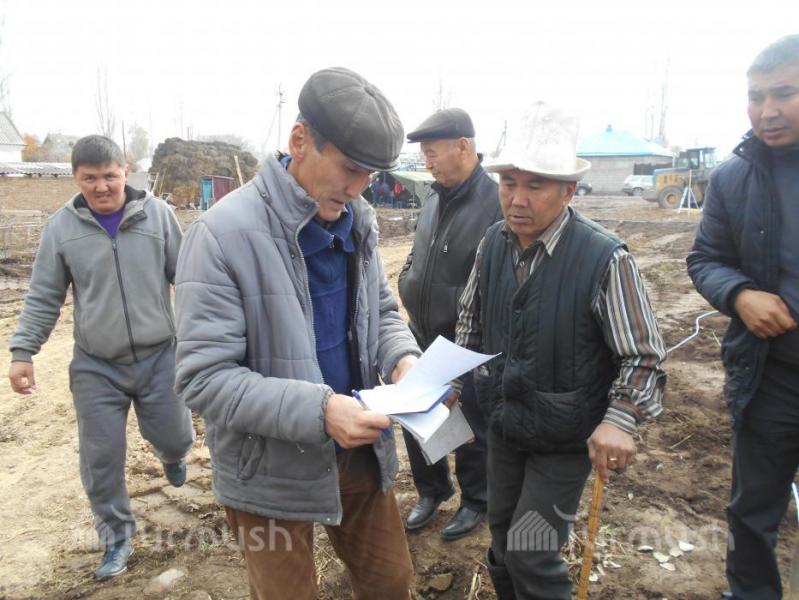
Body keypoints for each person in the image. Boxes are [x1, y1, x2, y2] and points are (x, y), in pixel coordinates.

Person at [174, 67, 421, 599]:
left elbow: (380, 311)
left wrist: (403, 358)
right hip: (269, 469)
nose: (358, 189)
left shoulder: (359, 221)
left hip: (359, 447)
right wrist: (321, 411)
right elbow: (203, 379)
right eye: (350, 169)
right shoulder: (220, 236)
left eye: (370, 175)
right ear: (300, 141)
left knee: (391, 582)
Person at [454, 102, 666, 599]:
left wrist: (620, 419)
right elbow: (470, 321)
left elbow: (643, 356)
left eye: (536, 185)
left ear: (568, 191)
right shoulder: (493, 244)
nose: (517, 199)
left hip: (566, 435)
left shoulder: (604, 258)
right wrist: (453, 379)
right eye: (509, 183)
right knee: (502, 536)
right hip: (506, 424)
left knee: (532, 551)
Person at [8, 135, 195, 580]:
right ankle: (116, 537)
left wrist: (206, 334)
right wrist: (23, 351)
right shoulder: (62, 229)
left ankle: (173, 454)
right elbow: (44, 295)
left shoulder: (158, 216)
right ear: (76, 178)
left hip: (160, 356)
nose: (101, 186)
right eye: (89, 178)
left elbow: (190, 278)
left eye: (109, 176)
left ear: (125, 172)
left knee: (174, 436)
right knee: (101, 458)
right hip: (96, 365)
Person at [687, 34, 799, 600]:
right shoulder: (734, 177)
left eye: (783, 94)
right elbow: (705, 258)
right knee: (752, 510)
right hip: (769, 374)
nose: (767, 111)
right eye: (757, 97)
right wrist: (739, 295)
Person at [397, 107, 501, 540]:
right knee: (417, 411)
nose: (428, 163)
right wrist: (407, 277)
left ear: (462, 147)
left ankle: (476, 500)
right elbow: (417, 251)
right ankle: (433, 489)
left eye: (432, 153)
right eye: (424, 154)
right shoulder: (434, 197)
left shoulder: (494, 201)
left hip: (467, 338)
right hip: (422, 331)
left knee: (468, 422)